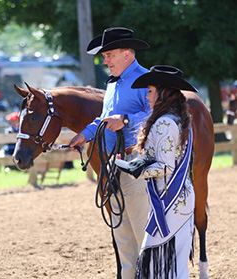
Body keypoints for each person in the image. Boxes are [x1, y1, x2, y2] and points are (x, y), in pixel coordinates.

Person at [69, 27, 151, 278]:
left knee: (141, 229)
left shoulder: (146, 80)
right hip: (111, 164)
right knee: (121, 231)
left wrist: (125, 120)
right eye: (104, 56)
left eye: (110, 55)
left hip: (135, 161)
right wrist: (85, 134)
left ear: (127, 53)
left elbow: (155, 116)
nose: (105, 61)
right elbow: (104, 119)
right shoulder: (113, 84)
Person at [115, 65, 197, 278]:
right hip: (175, 197)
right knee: (173, 263)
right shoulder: (176, 119)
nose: (147, 96)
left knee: (158, 262)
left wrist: (135, 169)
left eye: (150, 91)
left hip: (169, 200)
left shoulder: (164, 123)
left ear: (164, 93)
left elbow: (166, 167)